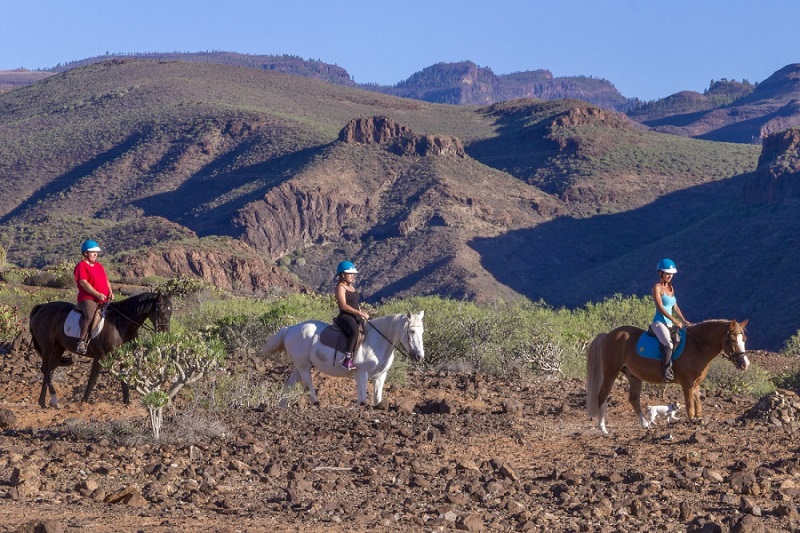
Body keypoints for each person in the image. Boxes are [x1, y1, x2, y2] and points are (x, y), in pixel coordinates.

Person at [650, 258, 691, 382]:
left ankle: (675, 367)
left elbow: (675, 306)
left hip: (670, 323)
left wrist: (684, 320)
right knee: (668, 344)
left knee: (679, 340)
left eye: (671, 274)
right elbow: (660, 307)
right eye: (667, 273)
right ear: (660, 273)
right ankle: (666, 371)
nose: (670, 276)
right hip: (659, 323)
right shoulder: (657, 288)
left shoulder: (671, 289)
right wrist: (674, 320)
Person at [74, 239, 113, 354]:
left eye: (96, 252)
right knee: (90, 315)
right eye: (93, 252)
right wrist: (97, 294)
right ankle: (81, 341)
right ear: (85, 253)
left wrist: (110, 291)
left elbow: (106, 280)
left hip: (103, 298)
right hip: (88, 298)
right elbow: (83, 282)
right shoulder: (81, 266)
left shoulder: (99, 266)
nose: (95, 254)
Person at [333, 260, 369, 370]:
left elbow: (355, 303)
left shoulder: (351, 287)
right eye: (350, 274)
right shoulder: (340, 287)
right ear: (342, 275)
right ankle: (347, 359)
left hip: (355, 315)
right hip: (345, 316)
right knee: (354, 332)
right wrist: (358, 312)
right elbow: (343, 305)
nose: (353, 276)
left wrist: (362, 313)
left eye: (353, 274)